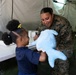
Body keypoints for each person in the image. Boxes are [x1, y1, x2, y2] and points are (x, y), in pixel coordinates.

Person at [34, 7, 73, 75]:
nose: (45, 22)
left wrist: (52, 50)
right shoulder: (43, 23)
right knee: (53, 66)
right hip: (52, 47)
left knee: (62, 67)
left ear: (52, 15)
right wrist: (38, 37)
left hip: (64, 48)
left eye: (47, 18)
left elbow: (67, 41)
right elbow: (40, 32)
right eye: (42, 19)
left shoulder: (62, 23)